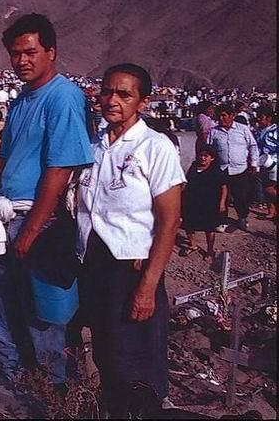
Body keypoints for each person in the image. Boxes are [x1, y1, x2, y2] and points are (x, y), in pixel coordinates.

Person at [0, 13, 92, 388]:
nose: (22, 61)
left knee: (42, 310)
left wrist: (33, 228)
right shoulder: (22, 100)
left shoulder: (64, 96)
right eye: (15, 54)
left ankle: (51, 390)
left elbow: (60, 169)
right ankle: (13, 376)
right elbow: (4, 159)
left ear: (51, 51)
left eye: (30, 52)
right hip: (5, 215)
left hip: (39, 218)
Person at [76, 63, 184, 417]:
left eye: (124, 94)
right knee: (106, 353)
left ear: (143, 102)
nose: (112, 100)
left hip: (133, 267)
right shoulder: (94, 145)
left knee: (136, 362)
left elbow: (169, 223)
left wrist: (147, 286)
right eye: (107, 91)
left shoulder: (155, 147)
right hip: (94, 262)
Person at [208, 104, 259, 232]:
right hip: (221, 170)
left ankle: (242, 218)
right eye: (219, 116)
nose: (221, 118)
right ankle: (222, 220)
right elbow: (209, 149)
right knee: (221, 197)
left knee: (240, 196)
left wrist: (254, 163)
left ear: (232, 116)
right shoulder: (214, 132)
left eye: (224, 115)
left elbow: (252, 146)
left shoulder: (243, 129)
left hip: (240, 170)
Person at [181, 145, 227, 260]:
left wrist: (222, 203)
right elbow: (187, 182)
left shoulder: (216, 171)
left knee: (209, 227)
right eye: (201, 155)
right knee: (188, 224)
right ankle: (193, 245)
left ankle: (210, 250)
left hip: (209, 203)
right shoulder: (193, 166)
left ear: (212, 158)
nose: (202, 158)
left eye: (206, 156)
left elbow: (224, 187)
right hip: (191, 201)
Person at [255, 106, 277, 220]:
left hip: (274, 163)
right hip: (262, 162)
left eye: (261, 117)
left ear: (269, 118)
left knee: (271, 188)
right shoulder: (258, 131)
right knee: (265, 187)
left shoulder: (275, 131)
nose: (259, 119)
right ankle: (271, 211)